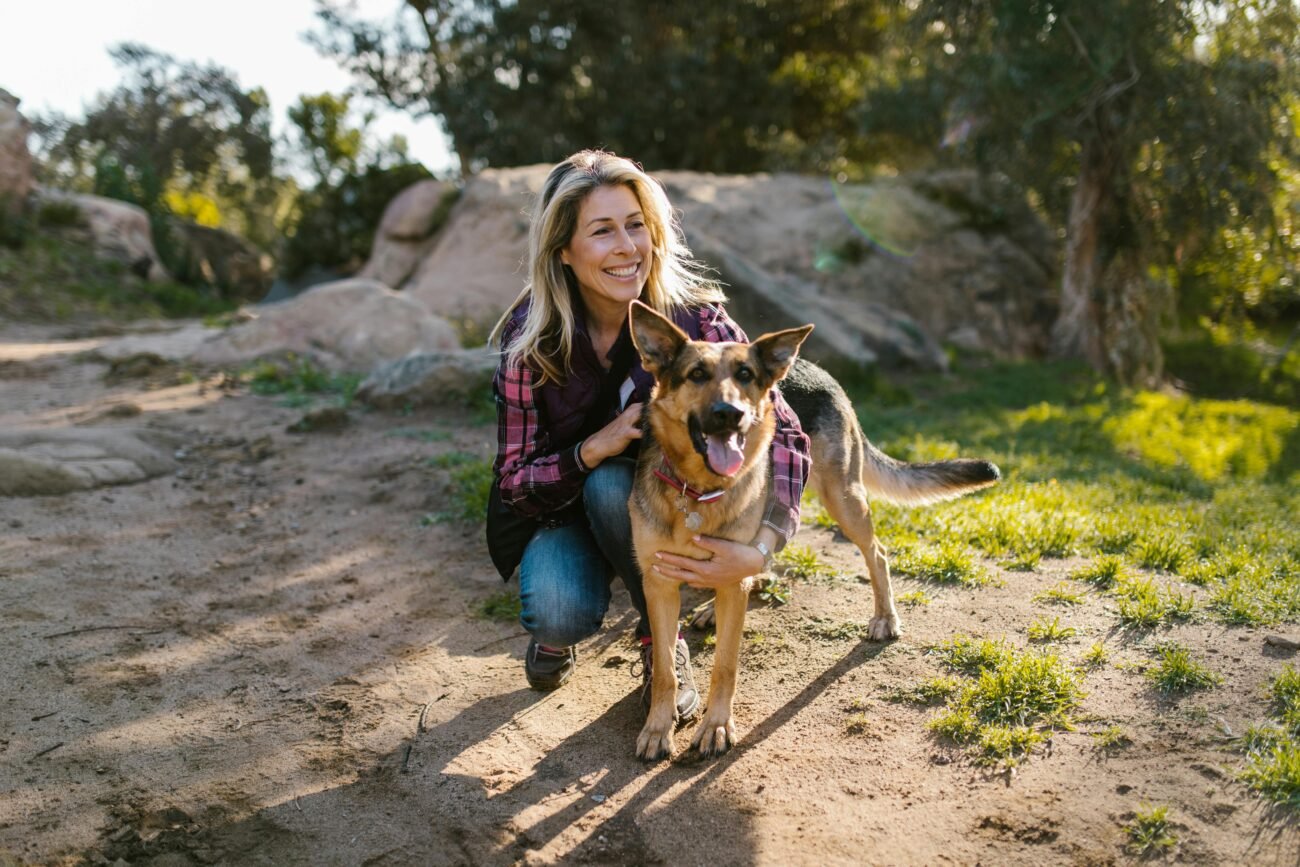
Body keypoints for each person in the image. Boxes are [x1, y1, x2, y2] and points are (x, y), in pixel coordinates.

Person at [488, 150, 810, 717]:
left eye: (636, 225)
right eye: (602, 231)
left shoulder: (700, 322)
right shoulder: (530, 342)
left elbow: (783, 432)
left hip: (655, 506)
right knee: (560, 609)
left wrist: (763, 549)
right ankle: (566, 618)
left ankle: (660, 642)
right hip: (566, 510)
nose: (626, 246)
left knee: (618, 488)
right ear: (564, 250)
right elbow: (514, 483)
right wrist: (593, 448)